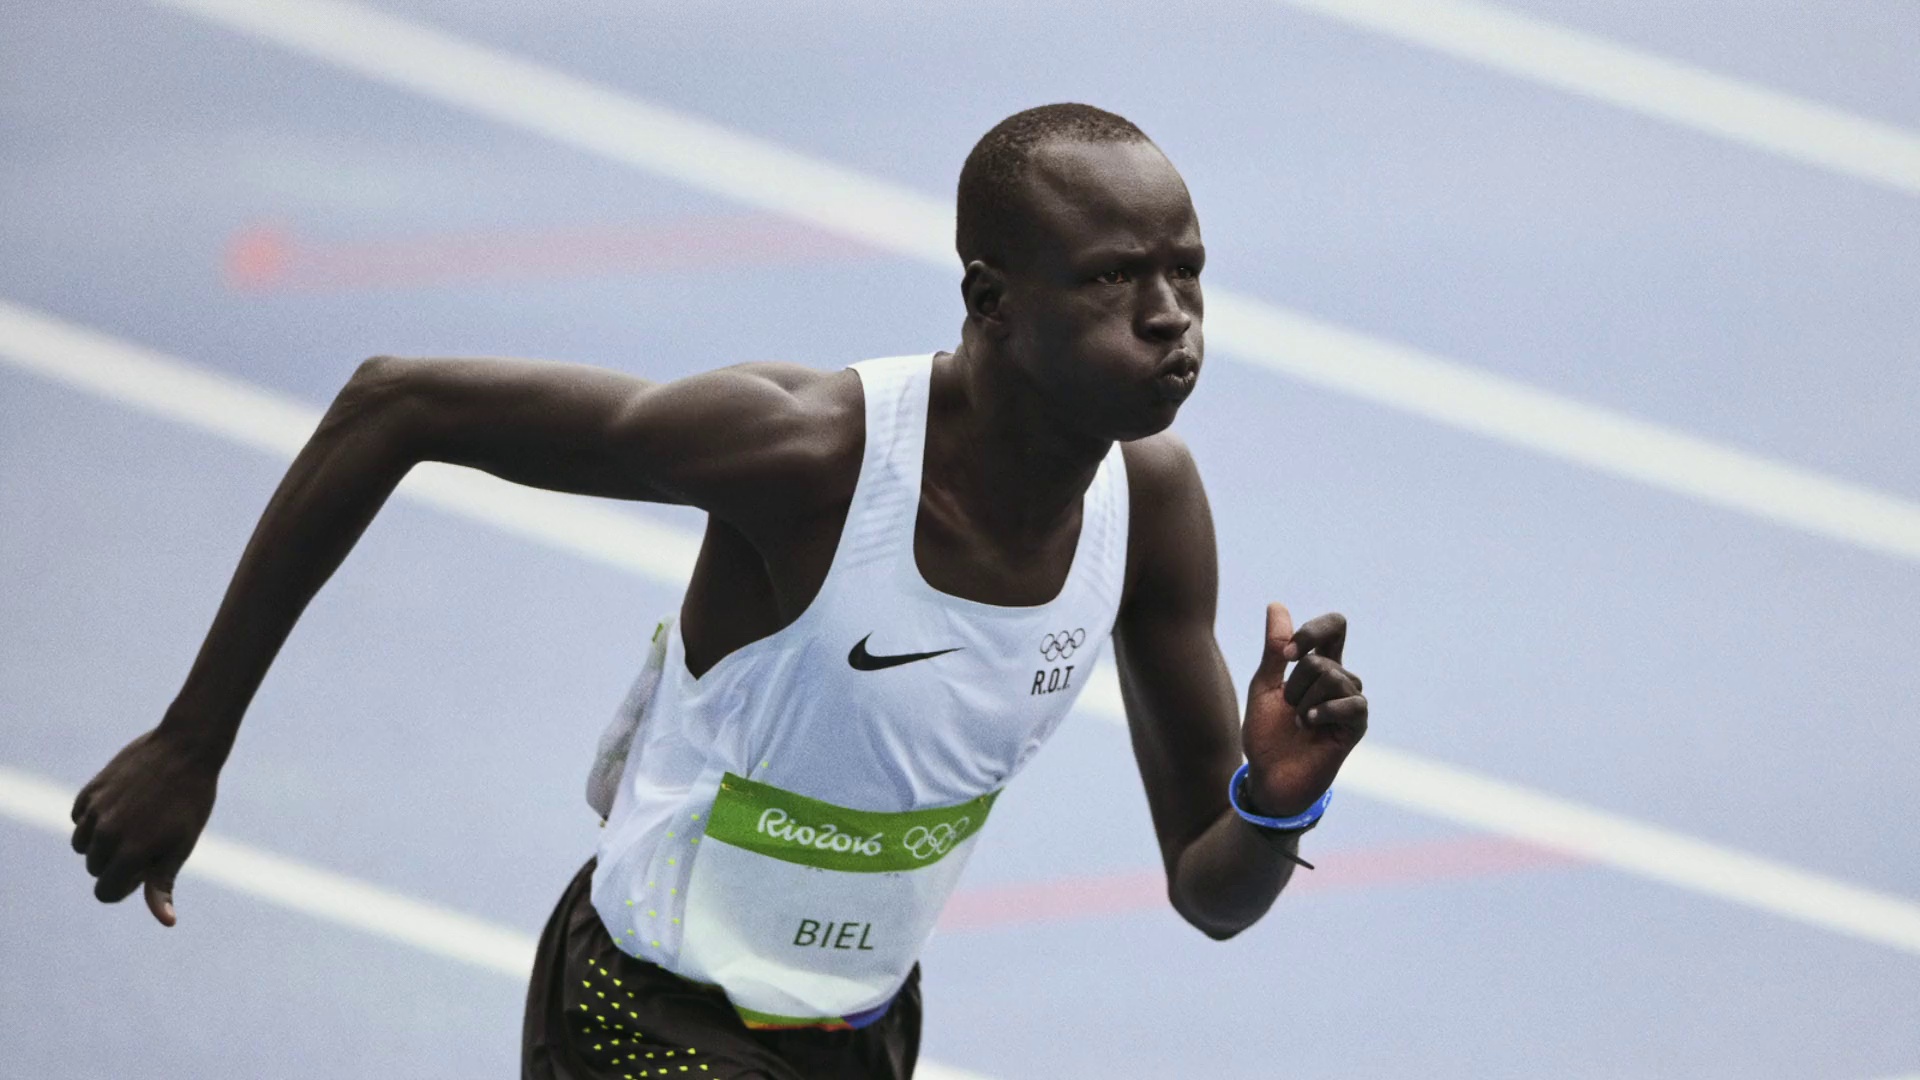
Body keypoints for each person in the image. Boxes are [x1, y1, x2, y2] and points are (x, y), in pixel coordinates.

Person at [67, 103, 1369, 1079]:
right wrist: (191, 742)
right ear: (991, 300)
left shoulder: (1152, 511)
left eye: (1187, 271)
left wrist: (1275, 798)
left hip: (863, 1031)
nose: (1171, 316)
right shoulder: (809, 456)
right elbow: (394, 405)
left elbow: (1211, 895)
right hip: (643, 1020)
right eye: (1112, 278)